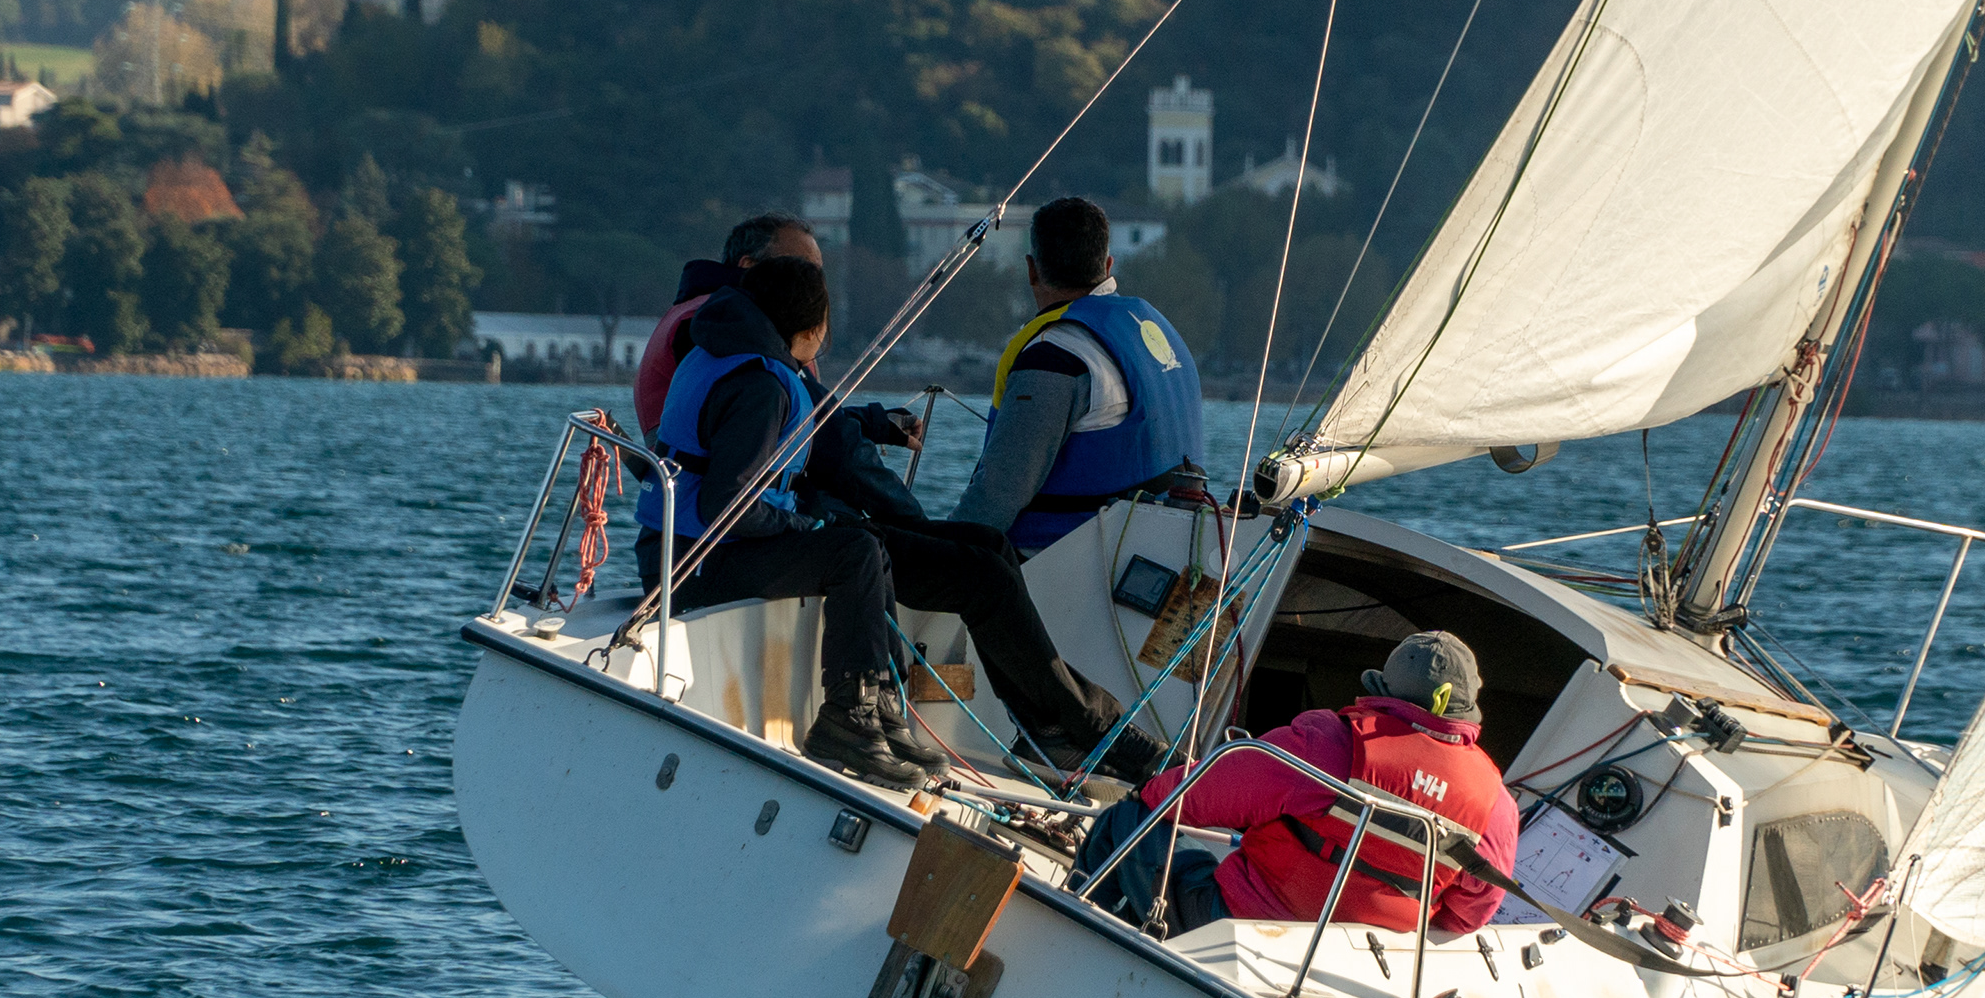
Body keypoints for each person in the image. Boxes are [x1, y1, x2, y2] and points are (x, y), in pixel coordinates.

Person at [639, 255, 1156, 788]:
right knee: (857, 551)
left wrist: (866, 431)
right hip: (696, 559)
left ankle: (1029, 724)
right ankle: (853, 719)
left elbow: (813, 435)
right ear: (814, 326)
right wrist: (813, 531)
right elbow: (729, 505)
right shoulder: (759, 381)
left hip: (733, 541)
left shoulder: (744, 356)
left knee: (984, 551)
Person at [1086, 633, 1521, 939]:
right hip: (1358, 965)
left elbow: (1181, 800)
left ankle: (1083, 937)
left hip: (1240, 928)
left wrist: (1149, 790)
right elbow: (1466, 918)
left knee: (1129, 818)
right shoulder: (1496, 807)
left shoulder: (1329, 743)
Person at [952, 195, 1210, 555]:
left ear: (1031, 270)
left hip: (1065, 563)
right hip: (1166, 548)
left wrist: (934, 555)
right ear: (1107, 264)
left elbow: (996, 497)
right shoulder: (1157, 333)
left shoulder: (1055, 357)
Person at [634, 211, 820, 438]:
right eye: (800, 267)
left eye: (817, 271)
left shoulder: (743, 321)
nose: (812, 281)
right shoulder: (713, 324)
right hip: (709, 467)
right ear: (748, 266)